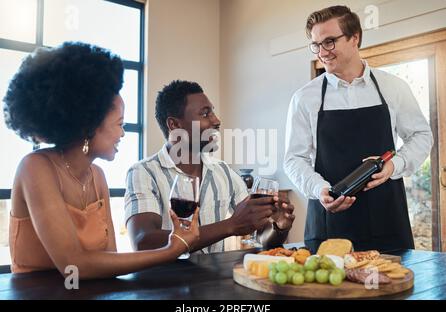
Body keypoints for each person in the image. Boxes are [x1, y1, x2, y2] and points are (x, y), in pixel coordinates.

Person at [3, 42, 199, 279]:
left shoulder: (97, 176)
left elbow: (109, 260)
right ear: (89, 124)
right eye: (120, 124)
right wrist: (170, 250)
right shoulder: (35, 168)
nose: (123, 134)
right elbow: (74, 266)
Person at [283, 6, 432, 253]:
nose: (322, 52)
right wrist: (320, 190)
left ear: (355, 38)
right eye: (316, 44)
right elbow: (294, 159)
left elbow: (421, 136)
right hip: (329, 224)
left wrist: (395, 165)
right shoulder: (304, 98)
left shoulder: (392, 87)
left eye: (329, 42)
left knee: (392, 290)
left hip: (387, 220)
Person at [125, 80, 295, 253]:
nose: (216, 120)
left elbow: (263, 238)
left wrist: (279, 226)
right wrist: (230, 225)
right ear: (175, 125)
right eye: (205, 114)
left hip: (214, 279)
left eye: (212, 112)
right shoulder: (144, 173)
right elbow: (143, 241)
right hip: (165, 280)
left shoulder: (223, 172)